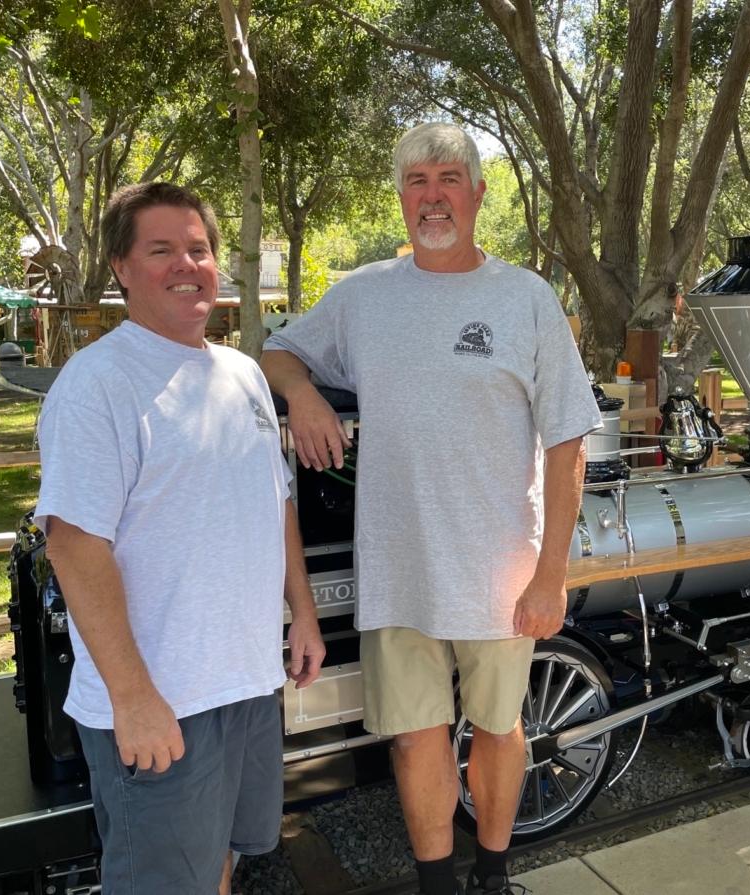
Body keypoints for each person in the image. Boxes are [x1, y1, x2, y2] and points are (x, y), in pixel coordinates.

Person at [261, 123, 600, 895]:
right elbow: (277, 351)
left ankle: (492, 875)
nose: (433, 193)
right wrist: (305, 393)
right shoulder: (362, 296)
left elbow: (567, 442)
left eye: (449, 177)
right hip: (399, 564)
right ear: (401, 197)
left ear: (479, 194)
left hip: (501, 569)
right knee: (416, 742)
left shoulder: (526, 298)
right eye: (417, 180)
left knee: (499, 729)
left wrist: (551, 573)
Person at [35, 181, 325, 895]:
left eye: (198, 249)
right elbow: (74, 545)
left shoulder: (245, 375)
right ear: (122, 268)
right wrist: (133, 697)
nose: (186, 264)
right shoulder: (97, 384)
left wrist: (304, 611)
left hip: (246, 682)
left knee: (221, 858)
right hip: (160, 700)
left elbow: (275, 501)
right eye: (161, 249)